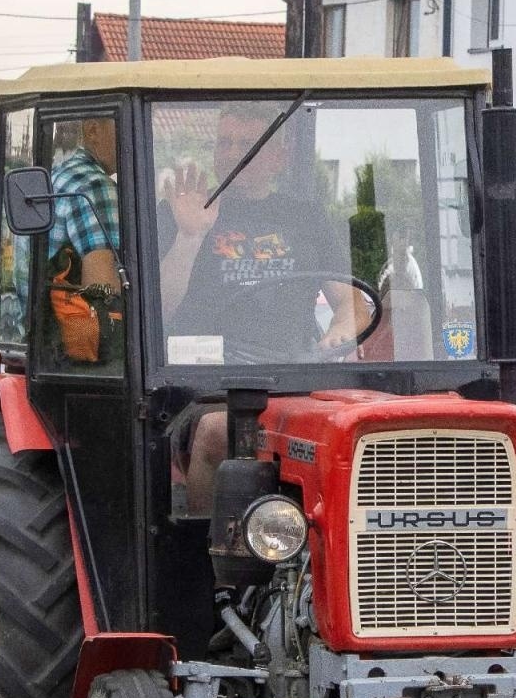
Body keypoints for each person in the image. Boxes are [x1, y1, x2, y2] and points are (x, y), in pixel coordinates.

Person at [158, 104, 360, 514]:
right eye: (225, 143)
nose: (233, 154)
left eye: (247, 145)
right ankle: (210, 564)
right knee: (220, 431)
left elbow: (351, 302)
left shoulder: (306, 218)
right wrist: (190, 236)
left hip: (296, 376)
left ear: (278, 156)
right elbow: (160, 308)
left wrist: (339, 334)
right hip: (206, 384)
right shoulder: (182, 214)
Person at [47, 117, 121, 362]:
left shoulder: (58, 177)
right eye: (128, 126)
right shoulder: (95, 187)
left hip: (51, 343)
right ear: (93, 131)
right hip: (84, 352)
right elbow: (104, 293)